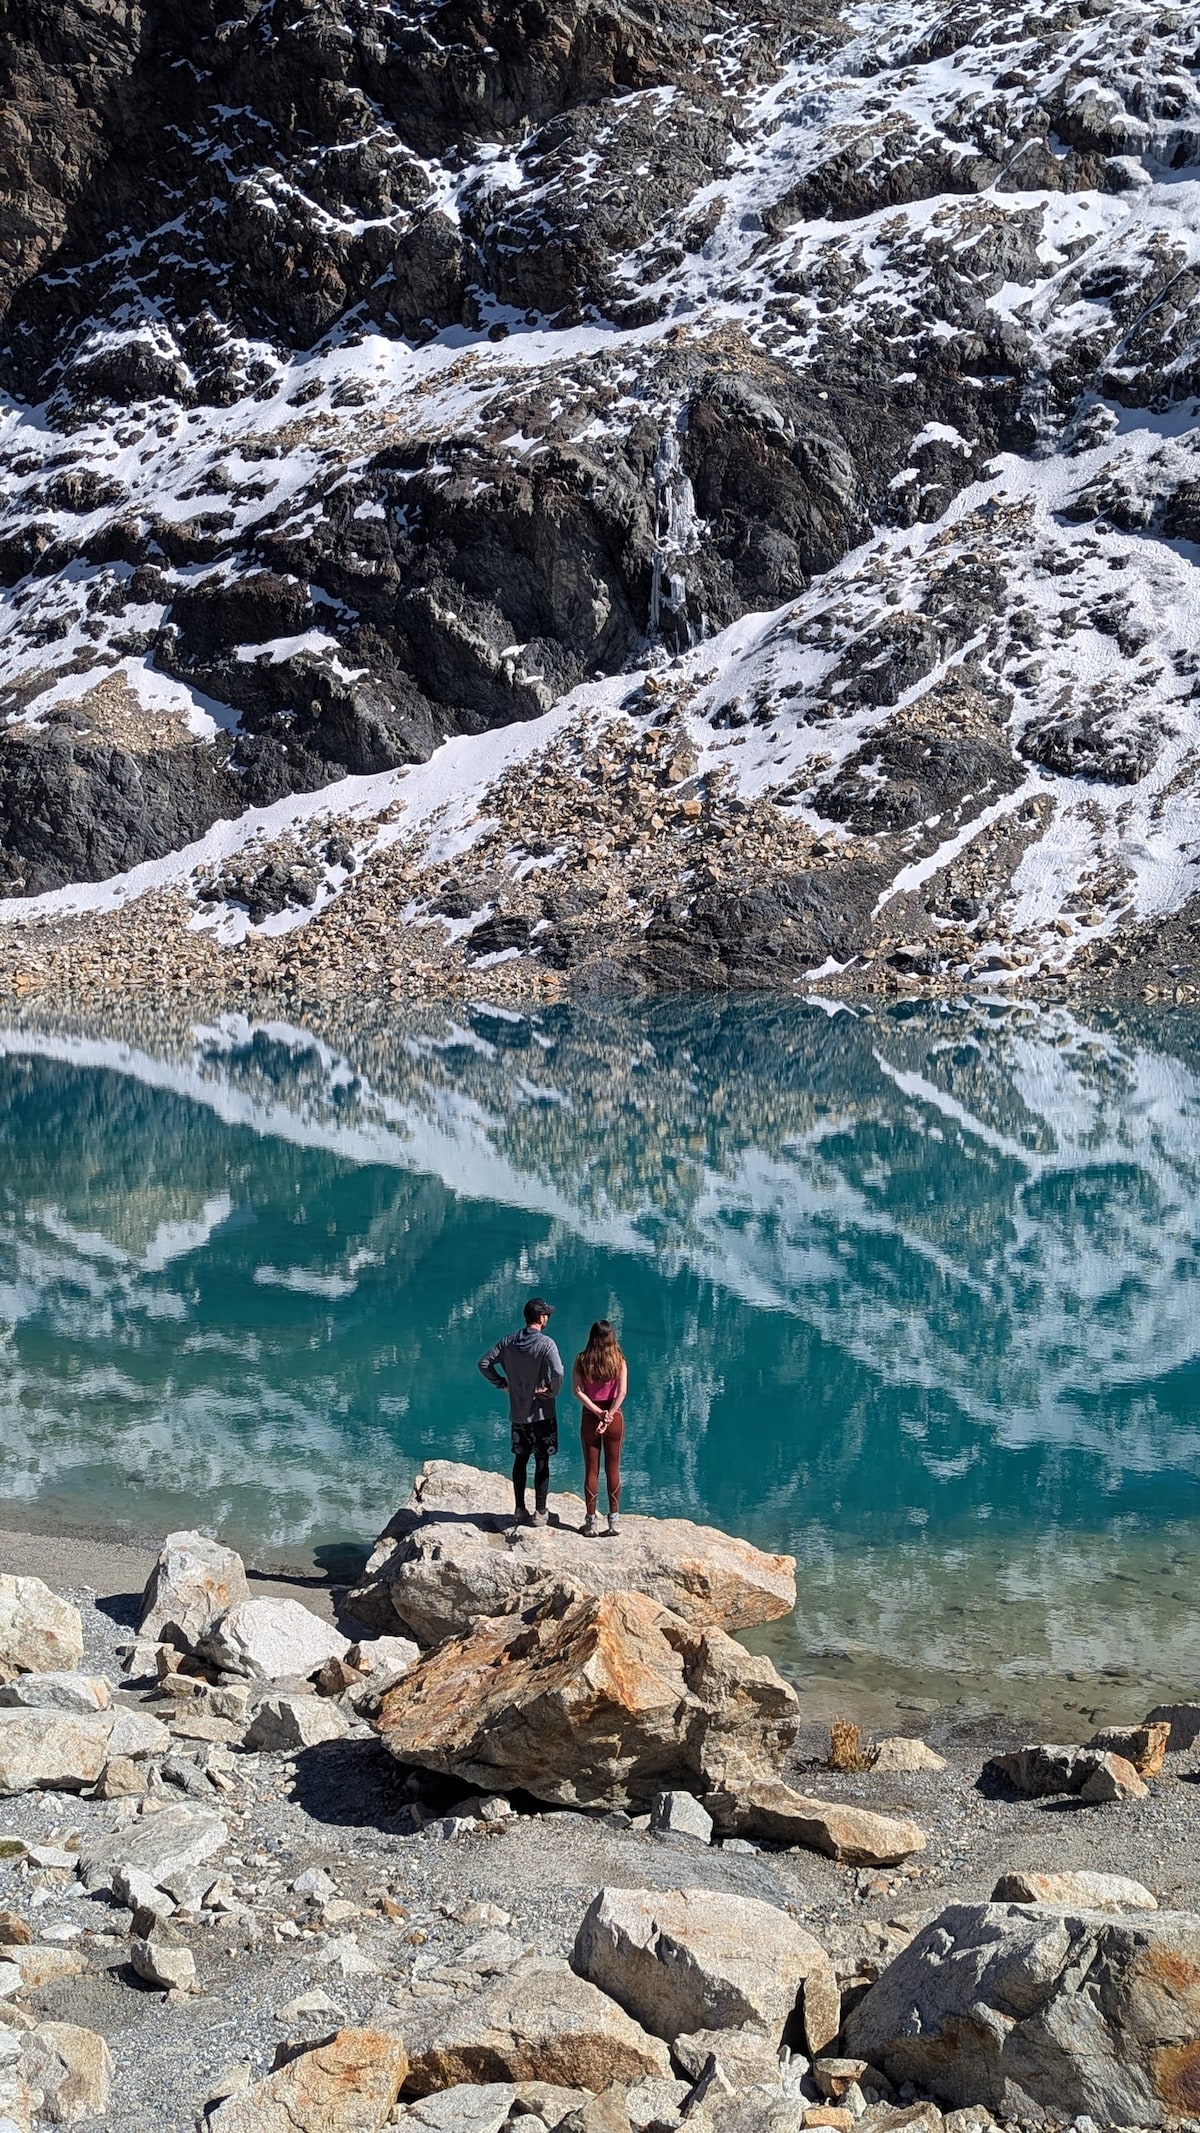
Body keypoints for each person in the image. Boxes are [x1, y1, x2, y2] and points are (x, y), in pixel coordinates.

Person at [478, 1296, 564, 1527]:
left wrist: (503, 1384)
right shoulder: (546, 1344)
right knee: (542, 1459)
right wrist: (550, 1391)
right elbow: (558, 1372)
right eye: (547, 1314)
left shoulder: (508, 1342)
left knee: (520, 1458)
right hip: (542, 1413)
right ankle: (540, 1512)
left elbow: (484, 1363)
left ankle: (519, 1509)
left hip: (518, 1413)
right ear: (541, 1317)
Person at [573, 1318, 627, 1537]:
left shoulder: (582, 1360)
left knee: (591, 1469)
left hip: (590, 1417)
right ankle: (613, 1521)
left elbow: (577, 1390)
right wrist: (609, 1415)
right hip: (614, 1418)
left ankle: (591, 1522)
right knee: (613, 1468)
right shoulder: (619, 1361)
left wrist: (596, 1412)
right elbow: (622, 1392)